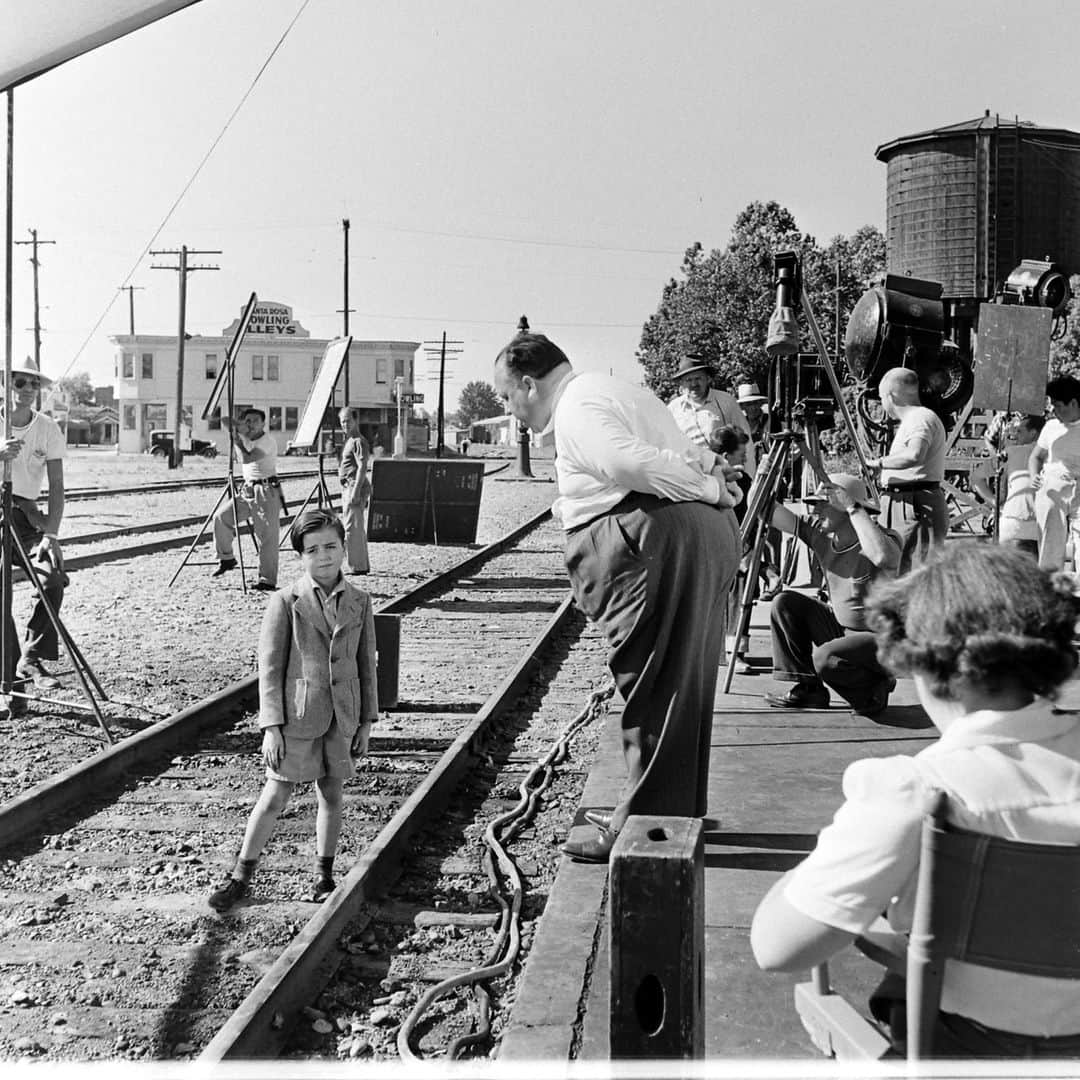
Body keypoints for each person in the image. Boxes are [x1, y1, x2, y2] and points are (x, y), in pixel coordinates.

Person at [751, 543, 1080, 1058]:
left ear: (925, 667)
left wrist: (821, 861)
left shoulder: (919, 792)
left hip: (966, 1051)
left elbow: (777, 948)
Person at [493, 331, 742, 864]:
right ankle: (674, 815)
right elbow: (685, 453)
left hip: (655, 541)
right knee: (681, 684)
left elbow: (630, 466)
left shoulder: (578, 407)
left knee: (652, 685)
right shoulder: (616, 391)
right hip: (692, 538)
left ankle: (643, 832)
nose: (510, 410)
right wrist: (710, 485)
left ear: (530, 384)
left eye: (506, 396)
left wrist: (711, 489)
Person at [208, 508, 379, 912]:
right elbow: (269, 669)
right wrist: (272, 726)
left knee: (332, 795)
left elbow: (367, 664)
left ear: (343, 549)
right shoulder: (286, 601)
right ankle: (241, 875)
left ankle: (324, 874)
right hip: (298, 716)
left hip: (344, 716)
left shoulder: (360, 600)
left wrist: (366, 722)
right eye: (313, 549)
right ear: (300, 556)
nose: (324, 557)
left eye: (332, 547)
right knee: (275, 794)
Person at [763, 473, 900, 716]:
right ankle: (810, 688)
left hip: (881, 640)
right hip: (841, 628)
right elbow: (766, 511)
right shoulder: (821, 533)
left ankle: (871, 691)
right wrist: (764, 473)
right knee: (785, 603)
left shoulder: (882, 539)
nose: (816, 511)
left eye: (823, 504)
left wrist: (851, 506)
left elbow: (884, 557)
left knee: (826, 657)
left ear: (845, 507)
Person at [0, 357, 69, 716]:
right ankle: (10, 678)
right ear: (6, 384)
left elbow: (57, 487)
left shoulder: (48, 429)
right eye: (19, 383)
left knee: (52, 578)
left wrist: (51, 534)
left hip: (28, 517)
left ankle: (31, 656)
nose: (27, 390)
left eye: (33, 384)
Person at [865, 368, 947, 574]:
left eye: (882, 397)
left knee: (917, 573)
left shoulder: (920, 418)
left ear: (890, 395)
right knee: (897, 571)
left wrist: (879, 463)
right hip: (904, 501)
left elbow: (914, 455)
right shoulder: (914, 420)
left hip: (915, 504)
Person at [212, 407, 282, 590]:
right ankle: (227, 558)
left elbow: (247, 459)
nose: (251, 425)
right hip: (247, 490)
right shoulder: (245, 435)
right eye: (248, 421)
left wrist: (237, 440)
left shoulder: (267, 441)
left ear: (263, 423)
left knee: (267, 537)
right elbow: (225, 419)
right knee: (221, 518)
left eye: (255, 421)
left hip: (266, 491)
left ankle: (267, 580)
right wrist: (238, 428)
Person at [666, 354, 756, 477]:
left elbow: (746, 442)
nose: (694, 384)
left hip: (726, 476)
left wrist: (749, 477)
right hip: (691, 478)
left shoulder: (726, 402)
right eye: (688, 380)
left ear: (708, 379)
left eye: (698, 378)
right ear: (681, 383)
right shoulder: (673, 409)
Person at [971, 413, 1043, 557]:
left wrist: (994, 503)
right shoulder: (1056, 454)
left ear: (1033, 433)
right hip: (1044, 525)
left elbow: (976, 477)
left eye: (1020, 431)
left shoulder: (1012, 452)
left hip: (1013, 524)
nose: (1015, 435)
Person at [1029, 375, 1080, 572]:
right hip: (1052, 490)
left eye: (1057, 405)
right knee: (1050, 547)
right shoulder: (1051, 427)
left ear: (1073, 403)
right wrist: (1034, 476)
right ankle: (1049, 594)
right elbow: (1035, 457)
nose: (1053, 410)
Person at [337, 407, 371, 575]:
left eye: (348, 420)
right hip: (349, 485)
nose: (345, 424)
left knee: (352, 528)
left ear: (356, 420)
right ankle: (360, 564)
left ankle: (357, 567)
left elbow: (362, 467)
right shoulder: (350, 440)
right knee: (353, 527)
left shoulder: (358, 441)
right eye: (342, 421)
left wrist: (356, 491)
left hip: (353, 486)